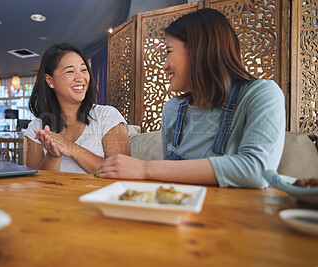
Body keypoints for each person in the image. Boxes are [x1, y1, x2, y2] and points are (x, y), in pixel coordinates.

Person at [96, 8, 286, 188]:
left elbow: (257, 171)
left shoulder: (261, 95)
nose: (164, 66)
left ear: (199, 50)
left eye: (168, 52)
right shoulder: (172, 109)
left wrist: (145, 169)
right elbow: (172, 179)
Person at [25, 43, 130, 174]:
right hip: (56, 194)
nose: (80, 78)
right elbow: (35, 185)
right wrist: (52, 156)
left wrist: (72, 149)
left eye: (84, 70)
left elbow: (122, 172)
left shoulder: (107, 116)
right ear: (50, 80)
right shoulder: (37, 127)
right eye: (70, 71)